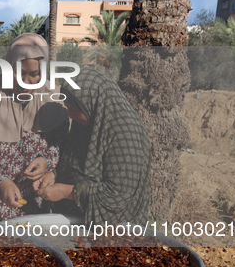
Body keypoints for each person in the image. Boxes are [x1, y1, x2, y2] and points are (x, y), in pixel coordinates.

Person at [34, 68, 151, 225]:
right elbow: (73, 161)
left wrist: (64, 191)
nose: (70, 115)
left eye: (75, 110)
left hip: (116, 229)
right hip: (79, 219)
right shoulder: (88, 121)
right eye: (68, 109)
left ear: (94, 102)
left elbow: (116, 195)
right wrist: (53, 175)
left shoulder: (125, 132)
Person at [0, 33, 63, 221]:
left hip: (36, 200)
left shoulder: (53, 95)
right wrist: (1, 182)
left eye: (34, 74)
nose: (25, 82)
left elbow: (60, 141)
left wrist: (46, 161)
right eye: (20, 73)